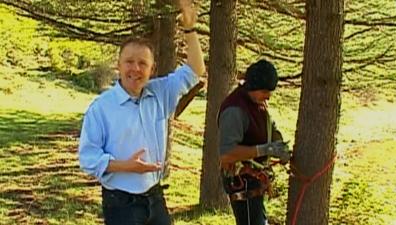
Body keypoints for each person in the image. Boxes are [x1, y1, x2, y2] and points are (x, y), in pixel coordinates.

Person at [78, 1, 205, 224]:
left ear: (152, 69)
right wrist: (127, 167)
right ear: (118, 65)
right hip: (121, 204)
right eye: (129, 62)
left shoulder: (161, 93)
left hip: (155, 198)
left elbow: (196, 70)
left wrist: (190, 29)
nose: (135, 69)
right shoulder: (101, 108)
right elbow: (88, 158)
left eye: (142, 63)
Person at [218, 59, 291, 225]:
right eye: (265, 91)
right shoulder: (234, 110)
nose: (268, 96)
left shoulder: (257, 102)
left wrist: (280, 146)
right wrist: (264, 149)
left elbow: (269, 127)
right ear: (252, 86)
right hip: (242, 182)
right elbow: (226, 154)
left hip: (253, 182)